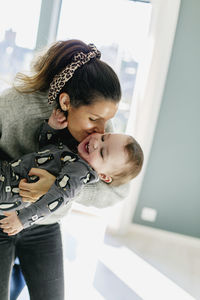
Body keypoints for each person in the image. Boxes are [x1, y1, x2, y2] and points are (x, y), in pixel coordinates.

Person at [0, 39, 131, 300]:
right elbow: (46, 150)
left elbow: (118, 191)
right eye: (94, 119)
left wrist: (60, 188)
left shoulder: (101, 138)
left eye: (107, 121)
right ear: (66, 101)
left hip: (44, 225)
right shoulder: (14, 105)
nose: (102, 131)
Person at [0, 109, 143, 234]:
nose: (95, 143)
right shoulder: (75, 153)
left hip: (8, 188)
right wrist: (52, 128)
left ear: (103, 176)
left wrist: (22, 219)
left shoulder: (79, 172)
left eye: (102, 153)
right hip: (8, 171)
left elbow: (54, 201)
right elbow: (44, 153)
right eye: (104, 138)